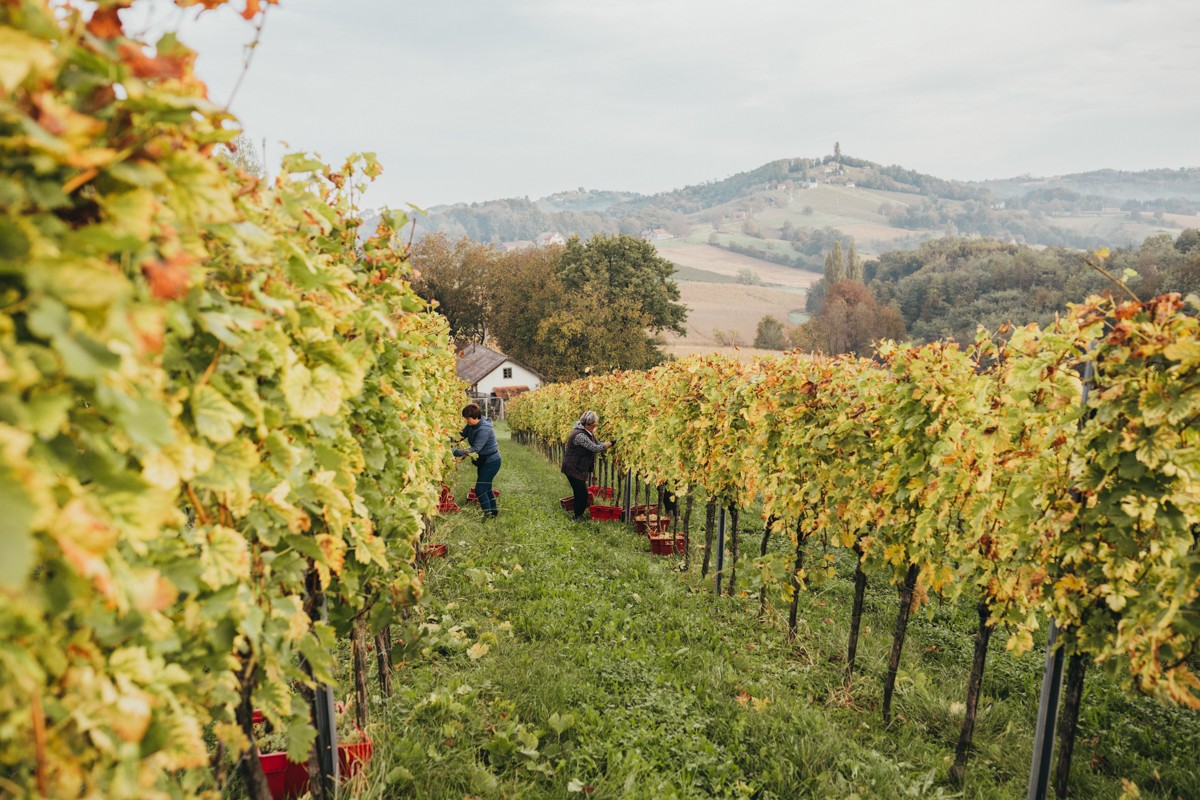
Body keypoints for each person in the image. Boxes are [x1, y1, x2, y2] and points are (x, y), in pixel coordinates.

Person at [560, 410, 614, 521]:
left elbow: (598, 443)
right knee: (582, 493)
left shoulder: (588, 433)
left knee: (580, 492)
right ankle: (577, 517)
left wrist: (608, 443)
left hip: (577, 468)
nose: (594, 427)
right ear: (588, 424)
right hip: (572, 468)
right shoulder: (580, 435)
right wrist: (611, 444)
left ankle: (578, 515)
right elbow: (595, 448)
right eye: (593, 425)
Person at [452, 403, 501, 519]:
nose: (466, 421)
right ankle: (493, 513)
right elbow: (461, 435)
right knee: (486, 488)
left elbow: (475, 449)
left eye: (467, 419)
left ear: (475, 417)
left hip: (491, 462)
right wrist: (447, 439)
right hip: (484, 461)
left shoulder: (484, 429)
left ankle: (487, 515)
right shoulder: (472, 425)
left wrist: (454, 452)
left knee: (480, 489)